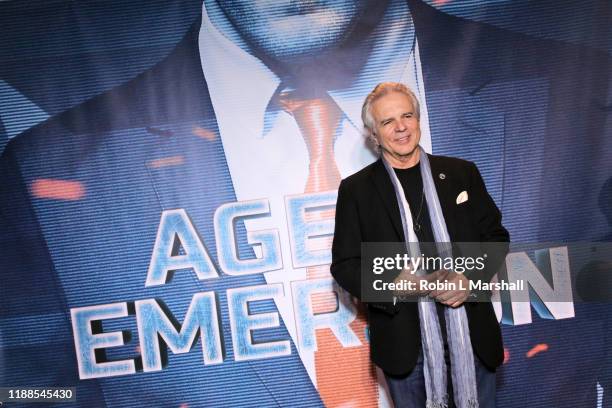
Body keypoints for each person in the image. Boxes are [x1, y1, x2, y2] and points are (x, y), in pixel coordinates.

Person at [331, 82, 510, 408]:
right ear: (374, 134)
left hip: (471, 334)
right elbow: (345, 265)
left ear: (418, 120)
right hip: (405, 347)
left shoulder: (461, 174)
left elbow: (495, 238)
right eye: (387, 122)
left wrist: (468, 279)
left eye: (407, 116)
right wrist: (392, 284)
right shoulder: (357, 191)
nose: (400, 127)